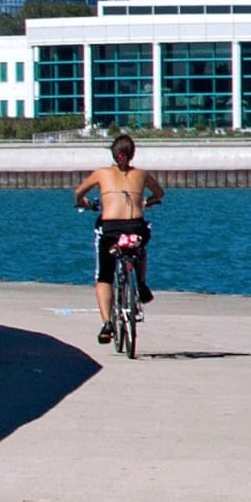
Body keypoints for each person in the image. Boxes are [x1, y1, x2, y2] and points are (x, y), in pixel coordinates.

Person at [75, 131, 166, 344]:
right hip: (136, 227)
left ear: (114, 155)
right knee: (139, 246)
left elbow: (79, 192)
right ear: (131, 154)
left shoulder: (101, 173)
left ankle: (107, 323)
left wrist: (83, 203)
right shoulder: (142, 174)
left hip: (111, 230)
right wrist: (146, 202)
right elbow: (160, 193)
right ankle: (141, 284)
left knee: (104, 277)